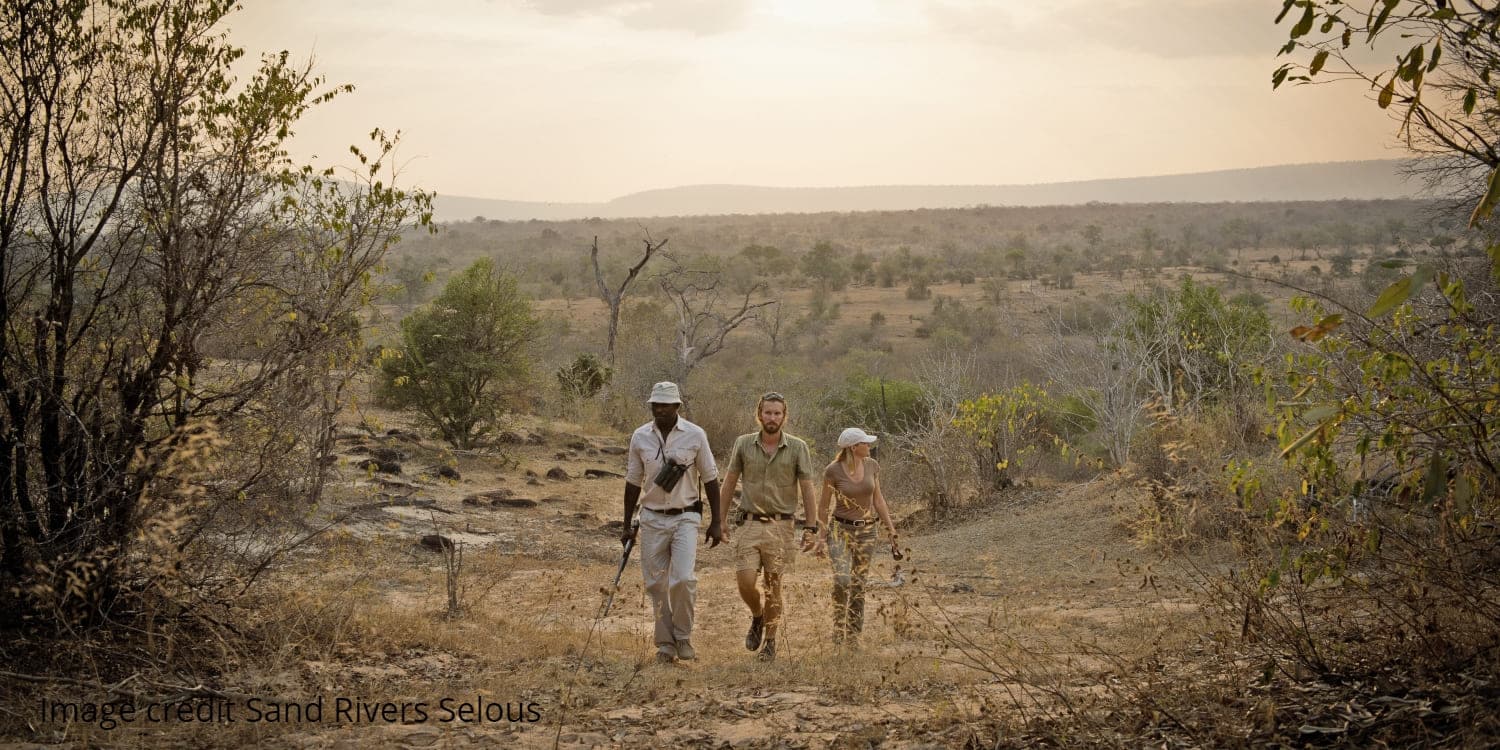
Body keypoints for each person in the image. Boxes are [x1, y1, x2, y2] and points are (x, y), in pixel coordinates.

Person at [622, 381, 725, 664]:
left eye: (666, 405)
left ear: (677, 406)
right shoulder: (640, 436)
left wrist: (717, 522)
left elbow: (711, 478)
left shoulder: (695, 434)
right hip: (652, 517)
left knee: (683, 579)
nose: (660, 410)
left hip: (686, 516)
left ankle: (683, 636)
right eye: (656, 405)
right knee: (656, 584)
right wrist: (626, 524)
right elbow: (632, 481)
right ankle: (665, 644)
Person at [720, 392, 818, 662]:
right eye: (768, 412)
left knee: (774, 585)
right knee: (745, 581)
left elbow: (808, 488)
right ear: (759, 414)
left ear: (784, 416)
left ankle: (770, 643)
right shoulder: (743, 444)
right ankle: (757, 615)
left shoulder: (798, 447)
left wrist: (811, 527)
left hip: (781, 525)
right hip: (749, 523)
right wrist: (719, 520)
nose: (772, 418)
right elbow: (729, 482)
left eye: (777, 413)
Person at [816, 427, 899, 646]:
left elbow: (878, 500)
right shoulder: (832, 471)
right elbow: (823, 506)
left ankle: (853, 635)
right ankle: (838, 627)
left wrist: (891, 528)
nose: (869, 446)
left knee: (859, 582)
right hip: (840, 530)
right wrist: (821, 537)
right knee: (842, 580)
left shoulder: (872, 466)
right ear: (854, 447)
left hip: (867, 531)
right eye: (865, 443)